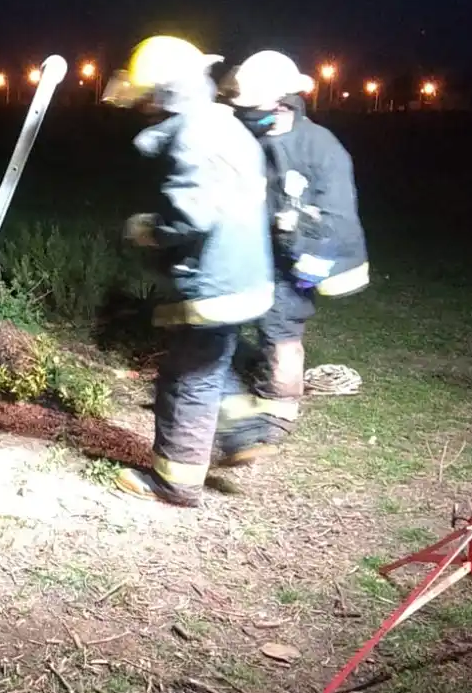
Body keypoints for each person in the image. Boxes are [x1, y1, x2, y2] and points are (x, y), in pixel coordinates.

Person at [101, 36, 277, 506]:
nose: (142, 104)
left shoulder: (193, 137)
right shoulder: (225, 125)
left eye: (147, 94)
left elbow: (192, 216)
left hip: (211, 281)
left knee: (185, 379)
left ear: (165, 92)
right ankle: (245, 430)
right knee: (212, 360)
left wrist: (148, 229)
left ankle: (174, 481)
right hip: (244, 276)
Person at [219, 50, 371, 452]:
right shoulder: (261, 137)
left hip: (308, 254)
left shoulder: (320, 146)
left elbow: (336, 216)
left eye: (252, 106)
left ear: (281, 102)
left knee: (281, 325)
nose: (244, 113)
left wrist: (308, 253)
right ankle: (254, 382)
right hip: (273, 247)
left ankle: (277, 415)